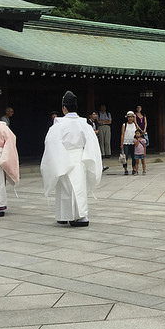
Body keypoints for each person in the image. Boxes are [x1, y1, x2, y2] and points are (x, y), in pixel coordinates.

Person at [41, 91, 102, 227]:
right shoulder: (85, 125)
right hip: (80, 159)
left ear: (64, 108)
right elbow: (92, 145)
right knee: (78, 188)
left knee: (65, 189)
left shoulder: (58, 126)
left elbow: (51, 144)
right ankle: (77, 216)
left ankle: (68, 215)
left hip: (63, 158)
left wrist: (57, 162)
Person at [120, 111, 138, 175]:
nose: (130, 118)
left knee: (134, 156)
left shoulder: (135, 125)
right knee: (126, 156)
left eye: (131, 117)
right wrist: (121, 143)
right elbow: (122, 134)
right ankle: (125, 169)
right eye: (129, 117)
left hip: (133, 142)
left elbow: (138, 132)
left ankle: (134, 168)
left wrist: (135, 122)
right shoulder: (124, 125)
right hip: (126, 142)